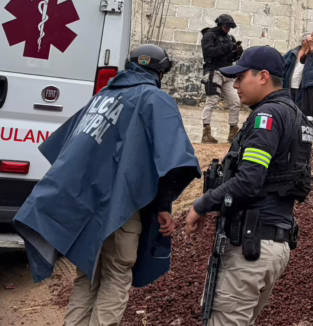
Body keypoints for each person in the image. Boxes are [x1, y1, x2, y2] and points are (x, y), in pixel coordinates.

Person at [14, 45, 201, 326]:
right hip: (122, 209)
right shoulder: (154, 99)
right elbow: (170, 161)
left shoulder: (102, 97)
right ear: (160, 73)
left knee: (87, 277)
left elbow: (70, 152)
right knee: (116, 275)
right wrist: (163, 206)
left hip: (87, 208)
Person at [186, 46, 312, 326]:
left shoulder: (266, 118)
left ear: (264, 76)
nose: (236, 84)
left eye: (242, 77)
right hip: (273, 243)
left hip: (251, 245)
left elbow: (248, 180)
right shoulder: (295, 115)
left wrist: (201, 205)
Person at [201, 14, 245, 143]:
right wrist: (228, 47)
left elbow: (231, 58)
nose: (228, 30)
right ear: (220, 25)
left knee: (235, 101)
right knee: (212, 100)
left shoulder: (230, 38)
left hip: (228, 72)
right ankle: (206, 132)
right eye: (226, 27)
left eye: (229, 28)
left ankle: (233, 132)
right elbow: (209, 53)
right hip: (214, 71)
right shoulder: (209, 35)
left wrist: (237, 52)